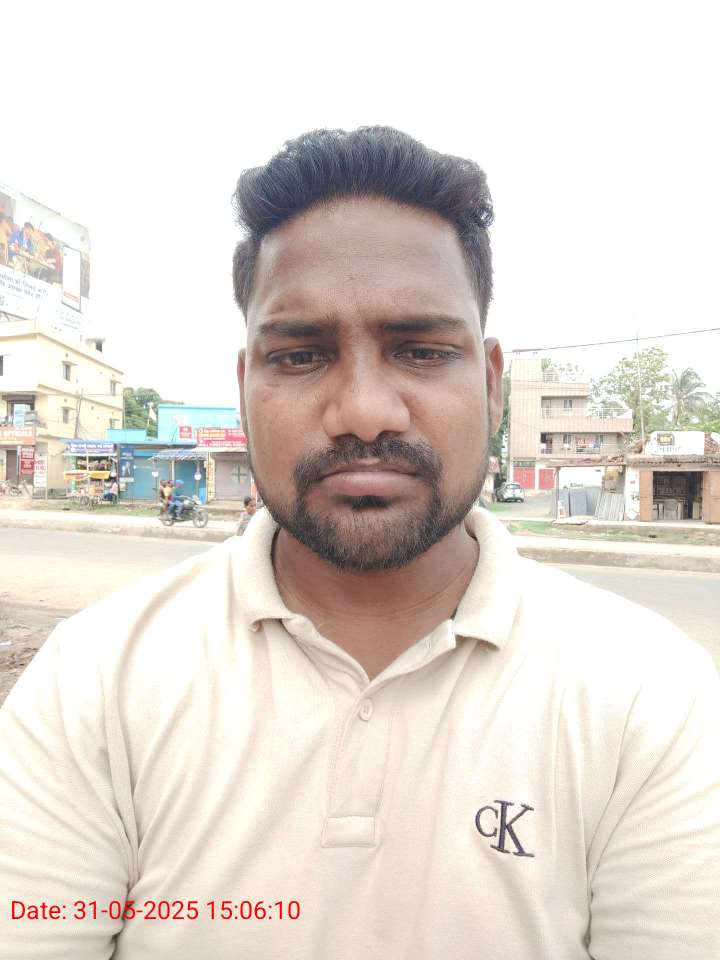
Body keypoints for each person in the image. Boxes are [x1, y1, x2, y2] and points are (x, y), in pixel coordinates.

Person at [0, 127, 718, 960]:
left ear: (490, 384)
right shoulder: (94, 681)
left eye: (421, 351)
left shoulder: (651, 698)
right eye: (302, 356)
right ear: (246, 387)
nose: (365, 412)